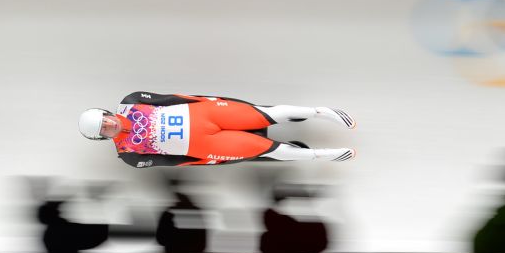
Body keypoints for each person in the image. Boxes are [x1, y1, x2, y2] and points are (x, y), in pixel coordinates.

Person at [78, 91, 356, 168]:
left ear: (106, 113)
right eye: (103, 129)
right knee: (270, 151)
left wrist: (208, 100)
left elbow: (173, 98)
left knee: (267, 114)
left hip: (204, 114)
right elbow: (172, 162)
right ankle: (324, 155)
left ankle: (322, 112)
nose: (109, 124)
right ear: (102, 137)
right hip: (206, 147)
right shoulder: (128, 154)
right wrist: (206, 160)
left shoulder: (130, 101)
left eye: (105, 119)